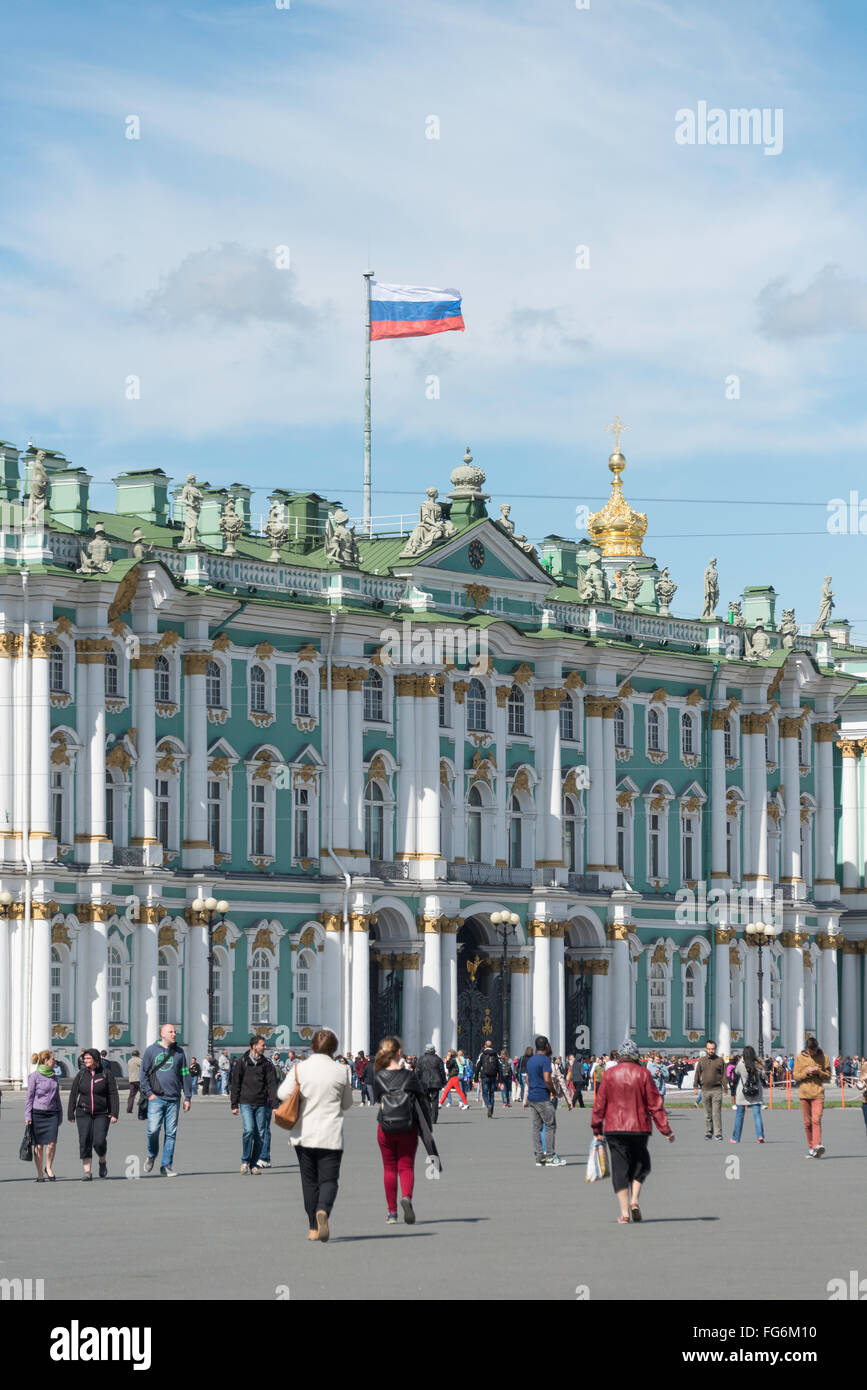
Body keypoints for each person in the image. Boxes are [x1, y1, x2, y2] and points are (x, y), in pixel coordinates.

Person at [277, 1029, 352, 1241]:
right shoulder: (341, 1071)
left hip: (304, 1133)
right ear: (334, 1047)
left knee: (308, 1181)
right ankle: (323, 1210)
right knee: (329, 1180)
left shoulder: (301, 1069)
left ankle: (312, 1227)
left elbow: (282, 1093)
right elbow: (347, 1104)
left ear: (312, 1046)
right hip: (331, 1134)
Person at [591, 1038, 675, 1223]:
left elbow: (599, 1103)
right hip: (639, 1127)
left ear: (620, 1056)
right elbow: (655, 1104)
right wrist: (666, 1130)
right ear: (636, 1055)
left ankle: (624, 1213)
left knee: (620, 1168)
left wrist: (597, 1126)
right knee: (641, 1164)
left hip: (614, 1128)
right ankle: (635, 1200)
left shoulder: (610, 1074)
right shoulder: (644, 1074)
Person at [373, 1036, 432, 1225]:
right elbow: (422, 1100)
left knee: (389, 1168)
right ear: (399, 1052)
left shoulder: (378, 1076)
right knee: (405, 1166)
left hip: (385, 1127)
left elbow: (376, 1098)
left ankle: (391, 1213)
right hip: (408, 1126)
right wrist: (427, 1129)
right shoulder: (410, 1076)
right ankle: (407, 1197)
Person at [140, 1023, 193, 1176]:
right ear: (162, 1034)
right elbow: (143, 1075)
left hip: (174, 1099)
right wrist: (149, 1093)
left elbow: (185, 1074)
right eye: (170, 1032)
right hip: (156, 1098)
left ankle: (166, 1166)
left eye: (175, 1032)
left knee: (171, 1133)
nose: (174, 1034)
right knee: (153, 1130)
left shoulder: (179, 1052)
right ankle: (152, 1154)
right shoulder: (151, 1051)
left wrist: (187, 1097)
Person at [68, 1047, 119, 1179]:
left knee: (99, 1141)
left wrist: (114, 1113)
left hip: (102, 1113)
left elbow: (113, 1094)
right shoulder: (81, 1075)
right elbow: (74, 1093)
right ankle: (87, 1171)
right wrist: (70, 1112)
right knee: (84, 1140)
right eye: (84, 1058)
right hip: (83, 1112)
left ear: (96, 1059)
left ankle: (102, 1160)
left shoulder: (105, 1074)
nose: (85, 1060)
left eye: (88, 1058)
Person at [230, 1035, 279, 1174]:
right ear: (253, 1046)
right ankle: (245, 1160)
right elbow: (235, 1084)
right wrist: (234, 1104)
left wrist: (275, 1106)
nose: (265, 1047)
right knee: (249, 1131)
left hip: (262, 1104)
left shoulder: (267, 1064)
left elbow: (272, 1086)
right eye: (262, 1045)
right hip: (245, 1102)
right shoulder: (243, 1062)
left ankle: (254, 1164)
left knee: (261, 1134)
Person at [523, 1035, 565, 1167]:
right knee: (550, 1125)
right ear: (546, 1046)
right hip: (542, 1096)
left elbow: (527, 1079)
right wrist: (554, 1092)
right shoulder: (546, 1060)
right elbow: (547, 1079)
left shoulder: (530, 1060)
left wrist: (532, 1088)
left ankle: (539, 1155)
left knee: (536, 1127)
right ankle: (551, 1155)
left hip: (532, 1096)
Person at [25, 1050, 63, 1182]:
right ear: (46, 1061)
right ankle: (40, 1173)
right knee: (39, 1145)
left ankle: (49, 1167)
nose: (55, 1061)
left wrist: (60, 1114)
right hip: (37, 1114)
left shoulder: (54, 1076)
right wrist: (27, 1116)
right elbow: (29, 1098)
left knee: (52, 1143)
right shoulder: (34, 1076)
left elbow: (57, 1097)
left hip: (52, 1113)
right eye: (52, 1059)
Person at [794, 1036, 831, 1158]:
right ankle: (811, 1148)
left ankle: (817, 1145)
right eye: (811, 1051)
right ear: (807, 1049)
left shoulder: (823, 1056)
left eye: (815, 1050)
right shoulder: (800, 1057)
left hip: (818, 1093)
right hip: (804, 1093)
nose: (813, 1053)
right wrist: (806, 1072)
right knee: (807, 1123)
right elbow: (796, 1076)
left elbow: (828, 1075)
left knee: (816, 1119)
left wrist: (818, 1072)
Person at [729, 1045, 765, 1144]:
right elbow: (763, 1074)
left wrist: (741, 1060)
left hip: (743, 1092)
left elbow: (736, 1072)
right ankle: (760, 1135)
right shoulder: (758, 1064)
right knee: (757, 1115)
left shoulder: (741, 1064)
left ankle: (736, 1138)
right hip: (756, 1091)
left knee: (739, 1115)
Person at [694, 1040, 726, 1141]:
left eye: (712, 1049)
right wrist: (695, 1085)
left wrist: (725, 1088)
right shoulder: (702, 1060)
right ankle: (708, 1132)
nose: (711, 1051)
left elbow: (724, 1075)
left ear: (715, 1049)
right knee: (707, 1113)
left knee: (716, 1113)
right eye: (709, 1049)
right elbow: (697, 1073)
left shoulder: (720, 1060)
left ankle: (718, 1133)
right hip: (705, 1090)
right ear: (706, 1049)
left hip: (717, 1090)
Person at [415, 1044, 447, 1124]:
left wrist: (417, 1081)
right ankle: (434, 1119)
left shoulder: (421, 1059)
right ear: (433, 1050)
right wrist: (443, 1081)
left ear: (426, 1050)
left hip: (424, 1082)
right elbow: (442, 1071)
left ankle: (428, 1116)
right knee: (435, 1100)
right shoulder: (438, 1059)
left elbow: (418, 1071)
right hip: (436, 1082)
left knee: (426, 1100)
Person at [474, 1040, 501, 1117]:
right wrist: (500, 1079)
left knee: (485, 1093)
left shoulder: (482, 1055)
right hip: (493, 1076)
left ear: (485, 1046)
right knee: (492, 1094)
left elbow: (477, 1067)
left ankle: (488, 1104)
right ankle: (491, 1112)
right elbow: (500, 1067)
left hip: (484, 1076)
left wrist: (475, 1078)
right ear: (491, 1046)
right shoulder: (496, 1054)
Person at [126, 1050, 142, 1115]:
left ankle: (129, 1109)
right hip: (139, 1080)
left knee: (131, 1096)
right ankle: (141, 1105)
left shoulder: (129, 1061)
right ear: (138, 1054)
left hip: (132, 1080)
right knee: (144, 1094)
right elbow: (144, 1067)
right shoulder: (139, 1060)